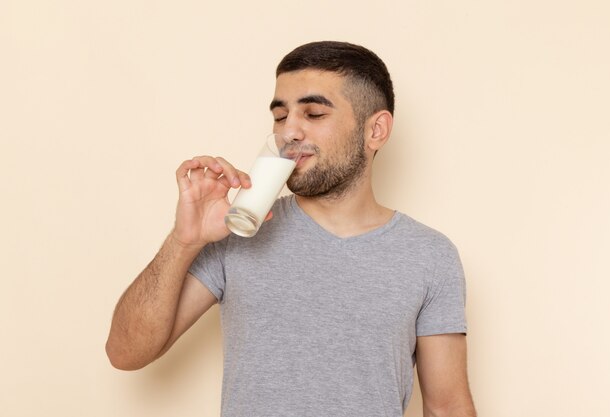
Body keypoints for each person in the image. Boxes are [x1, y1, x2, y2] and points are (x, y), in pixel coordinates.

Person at [106, 41, 476, 417]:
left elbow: (447, 408)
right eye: (281, 117)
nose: (289, 133)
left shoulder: (429, 256)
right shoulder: (237, 233)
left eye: (313, 114)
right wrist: (184, 240)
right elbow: (125, 353)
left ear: (376, 130)